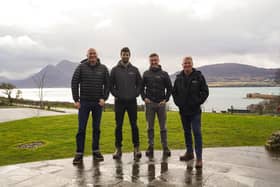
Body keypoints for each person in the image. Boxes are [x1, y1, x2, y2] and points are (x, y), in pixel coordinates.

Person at [71, 48, 110, 164]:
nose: (92, 55)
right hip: (84, 103)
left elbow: (107, 85)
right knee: (81, 129)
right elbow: (74, 82)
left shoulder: (103, 68)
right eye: (90, 54)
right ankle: (79, 153)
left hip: (98, 103)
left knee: (96, 129)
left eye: (94, 54)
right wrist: (76, 99)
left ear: (97, 55)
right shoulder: (81, 67)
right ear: (87, 55)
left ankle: (96, 151)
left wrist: (104, 98)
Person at [172, 56, 209, 168]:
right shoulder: (179, 78)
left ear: (192, 64)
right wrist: (179, 104)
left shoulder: (198, 76)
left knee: (197, 132)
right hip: (183, 111)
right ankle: (189, 153)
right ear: (182, 65)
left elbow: (205, 92)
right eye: (185, 63)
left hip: (195, 111)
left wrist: (197, 102)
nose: (187, 65)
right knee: (186, 132)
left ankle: (199, 158)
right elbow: (175, 93)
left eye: (189, 63)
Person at [110, 47, 142, 160]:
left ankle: (136, 148)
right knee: (118, 126)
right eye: (123, 54)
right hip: (119, 103)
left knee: (134, 125)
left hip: (132, 102)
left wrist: (135, 94)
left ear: (130, 56)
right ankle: (118, 149)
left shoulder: (135, 70)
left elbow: (140, 84)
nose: (125, 56)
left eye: (127, 54)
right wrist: (117, 95)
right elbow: (110, 86)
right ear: (120, 55)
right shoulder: (114, 70)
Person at [141, 53, 172, 158]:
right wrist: (144, 98)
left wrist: (166, 99)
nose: (153, 62)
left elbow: (170, 88)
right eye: (152, 60)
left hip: (161, 104)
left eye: (155, 60)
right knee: (150, 127)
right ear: (149, 61)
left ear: (158, 60)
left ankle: (165, 147)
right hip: (149, 104)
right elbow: (141, 88)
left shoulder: (164, 74)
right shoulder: (145, 74)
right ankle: (150, 147)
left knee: (163, 127)